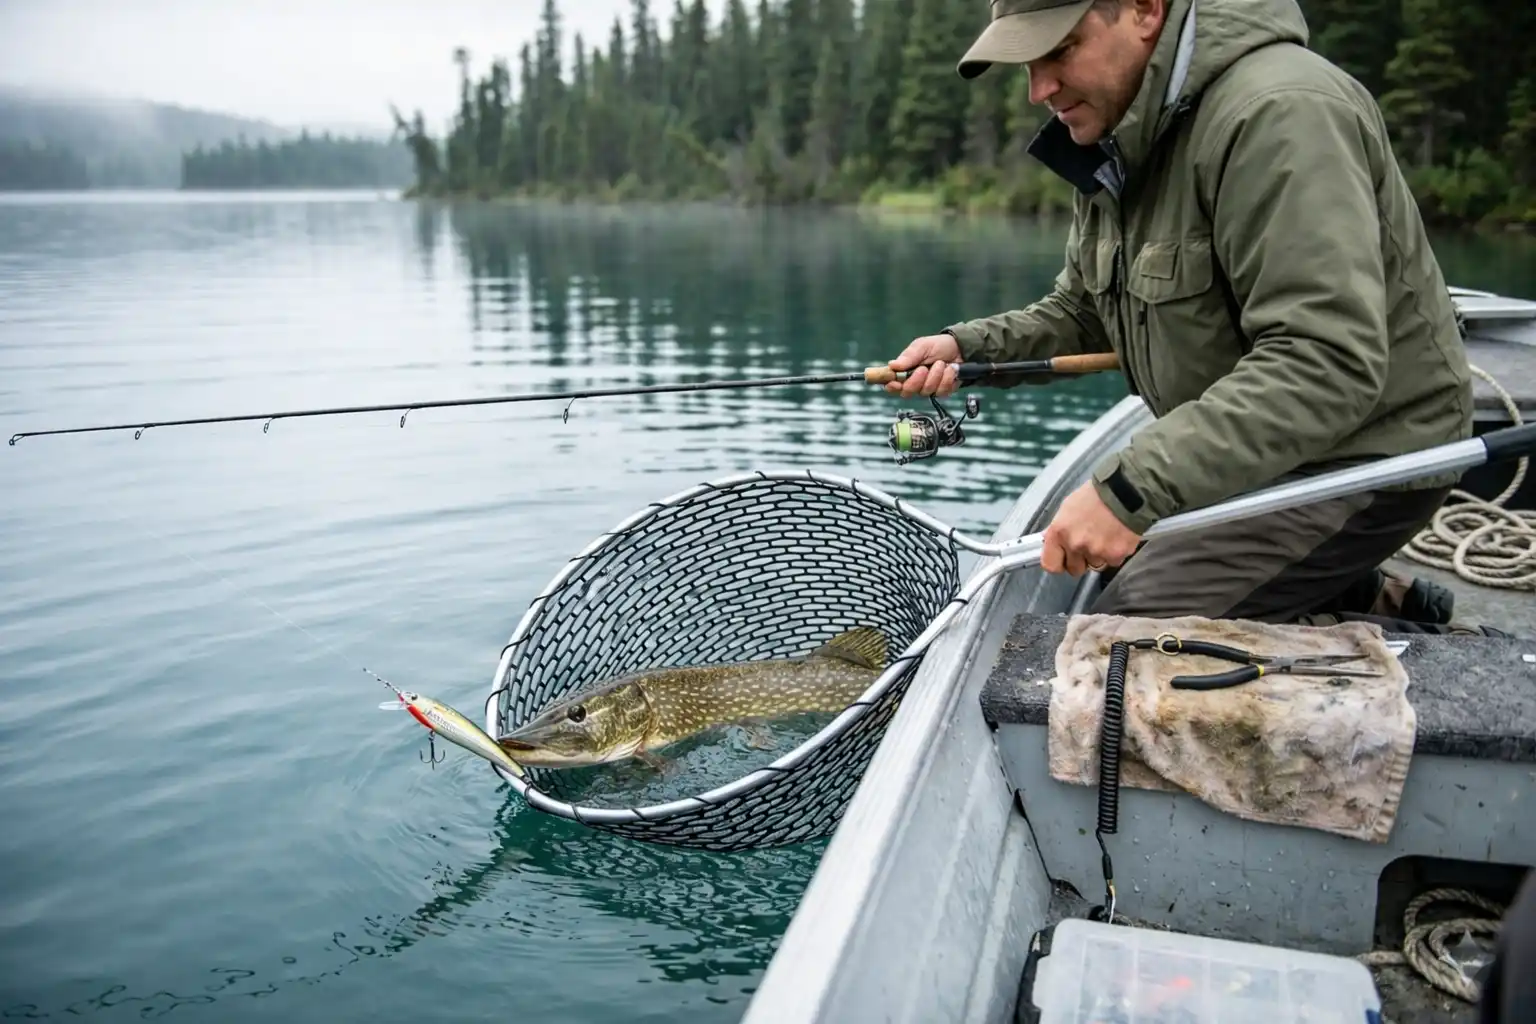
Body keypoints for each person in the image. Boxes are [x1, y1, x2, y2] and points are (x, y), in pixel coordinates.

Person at [887, 0, 1477, 629]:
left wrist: (1130, 488)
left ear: (1144, 10)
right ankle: (1357, 592)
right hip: (1263, 447)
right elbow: (1083, 311)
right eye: (1027, 64)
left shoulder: (1279, 112)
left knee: (1129, 629)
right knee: (1110, 566)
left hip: (1364, 455)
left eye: (1059, 51)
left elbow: (1325, 363)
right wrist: (967, 349)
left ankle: (1426, 643)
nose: (1040, 89)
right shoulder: (1119, 138)